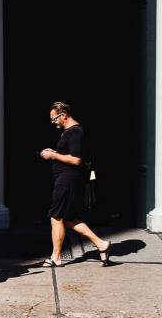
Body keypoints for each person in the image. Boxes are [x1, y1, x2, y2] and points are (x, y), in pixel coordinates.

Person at [39, 101, 111, 267]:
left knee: (55, 216)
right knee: (69, 218)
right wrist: (55, 152)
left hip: (67, 179)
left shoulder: (75, 132)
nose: (53, 122)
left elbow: (76, 160)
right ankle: (101, 244)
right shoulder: (68, 132)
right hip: (65, 178)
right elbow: (69, 154)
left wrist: (53, 156)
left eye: (54, 118)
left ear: (63, 115)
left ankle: (56, 257)